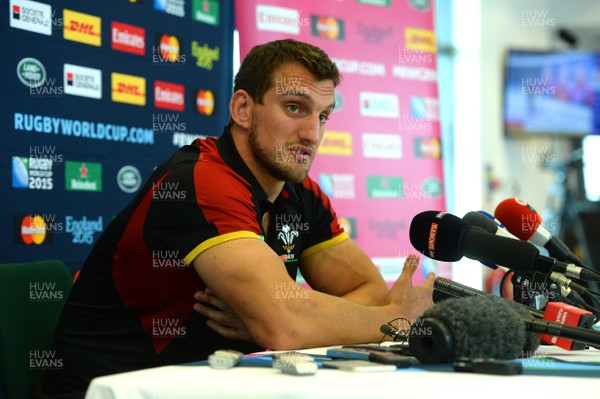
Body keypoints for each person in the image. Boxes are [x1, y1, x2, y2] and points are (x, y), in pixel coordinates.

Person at [38, 39, 434, 398]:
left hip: (212, 384)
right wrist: (395, 319)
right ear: (243, 108)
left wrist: (282, 316)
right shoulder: (201, 180)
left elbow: (365, 287)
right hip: (118, 388)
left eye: (324, 116)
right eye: (294, 108)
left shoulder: (301, 192)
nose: (312, 133)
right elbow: (285, 326)